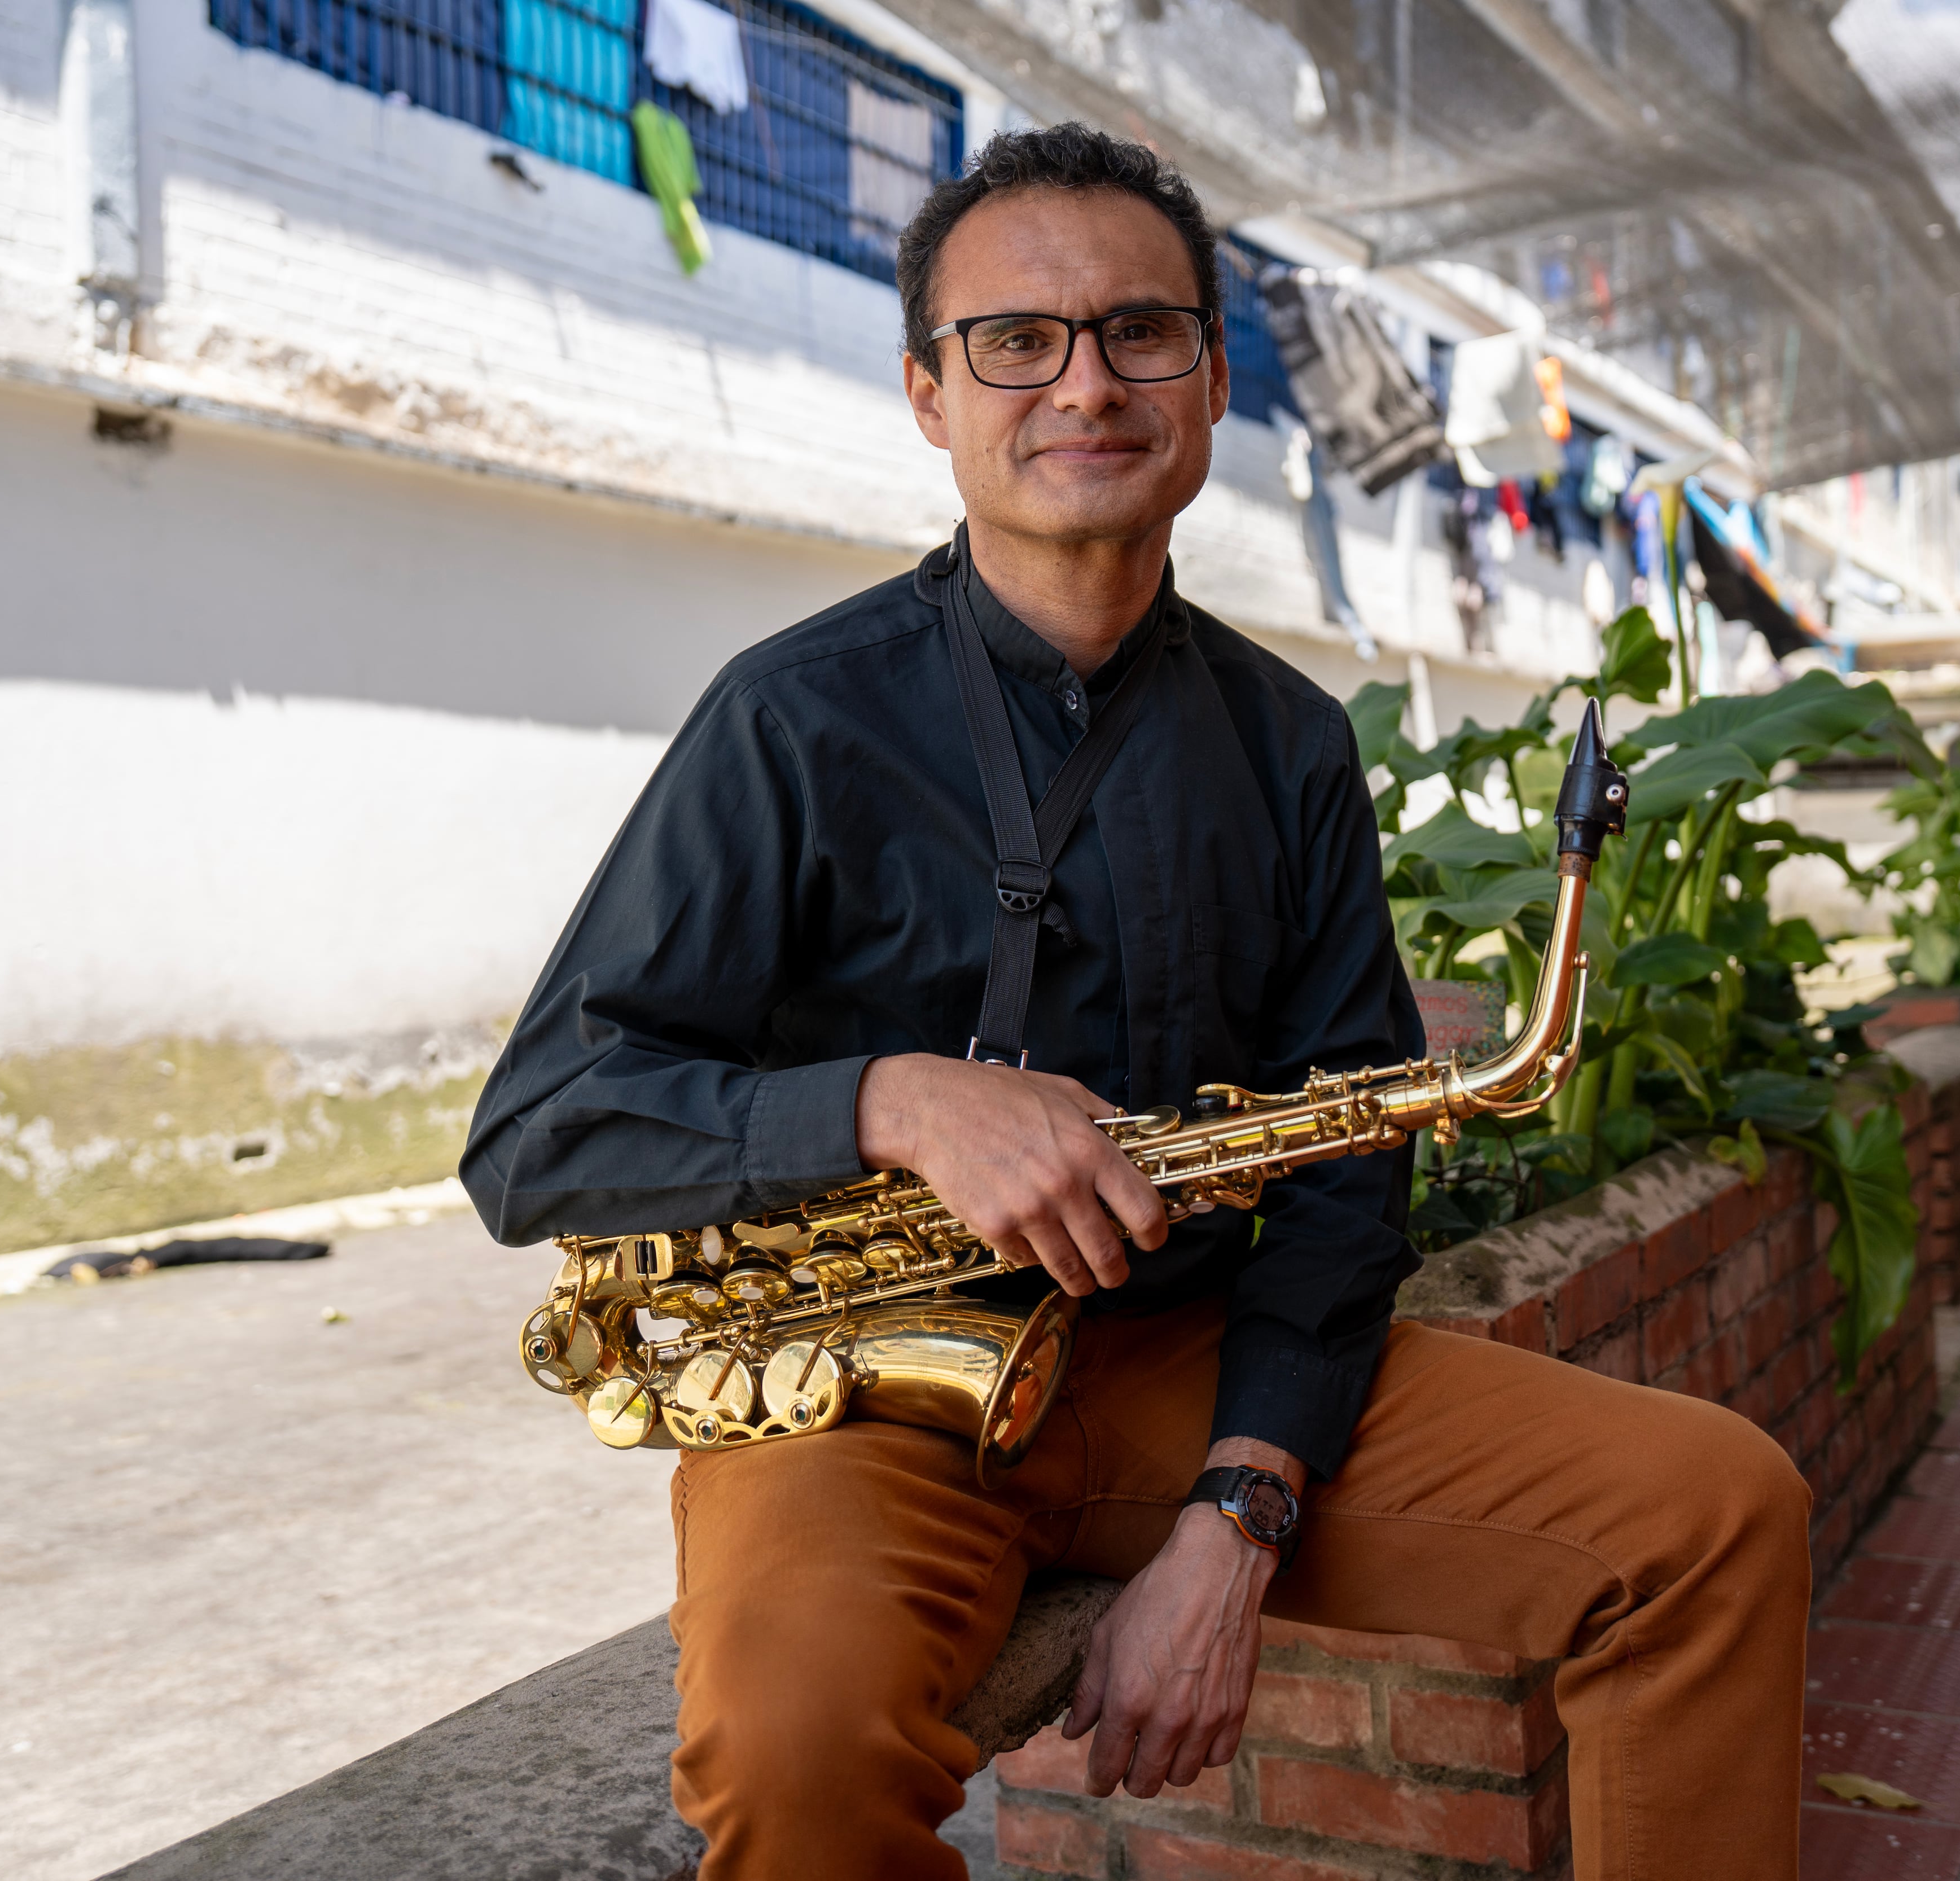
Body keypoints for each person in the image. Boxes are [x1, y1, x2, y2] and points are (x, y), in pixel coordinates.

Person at [462, 123, 1808, 1881]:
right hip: (860, 1389)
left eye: (1139, 332)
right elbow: (538, 1133)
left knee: (1714, 1517)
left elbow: (1341, 1171)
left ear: (1213, 381)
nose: (1083, 382)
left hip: (1186, 1359)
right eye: (1016, 339)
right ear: (929, 396)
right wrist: (890, 1099)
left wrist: (1239, 1517)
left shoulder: (1287, 739)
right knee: (792, 1760)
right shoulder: (789, 719)